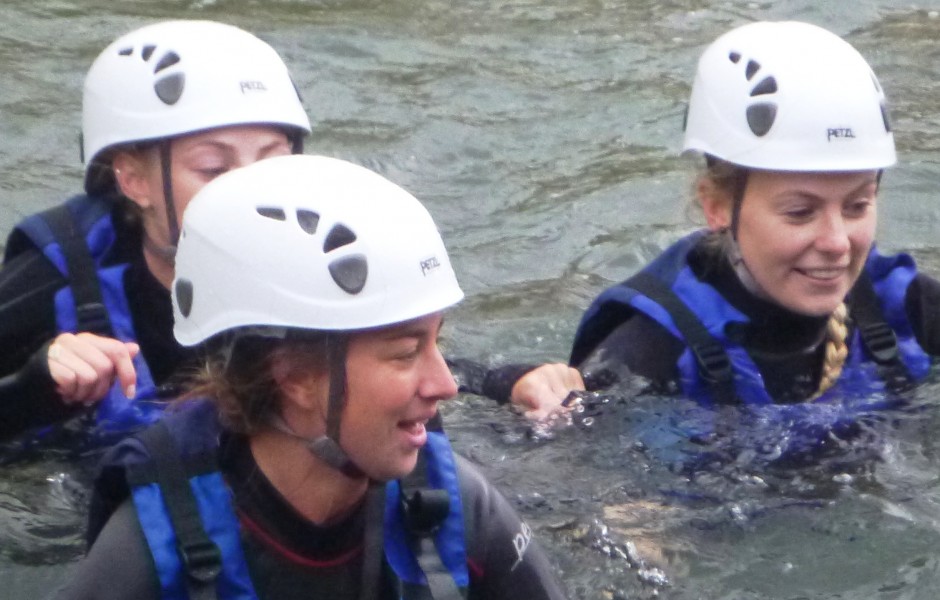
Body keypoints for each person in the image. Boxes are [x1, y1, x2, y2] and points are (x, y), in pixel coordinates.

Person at [52, 154, 568, 600]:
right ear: (295, 377)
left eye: (438, 342)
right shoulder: (149, 552)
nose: (446, 385)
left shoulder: (457, 509)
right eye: (405, 353)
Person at [493, 21, 940, 419]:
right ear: (717, 206)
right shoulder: (652, 352)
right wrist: (511, 385)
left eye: (857, 206)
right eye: (800, 213)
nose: (837, 242)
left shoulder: (904, 308)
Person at [0, 20, 310, 440]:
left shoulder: (333, 265)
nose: (252, 191)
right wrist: (30, 389)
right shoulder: (55, 276)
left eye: (273, 162)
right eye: (213, 169)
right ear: (134, 181)